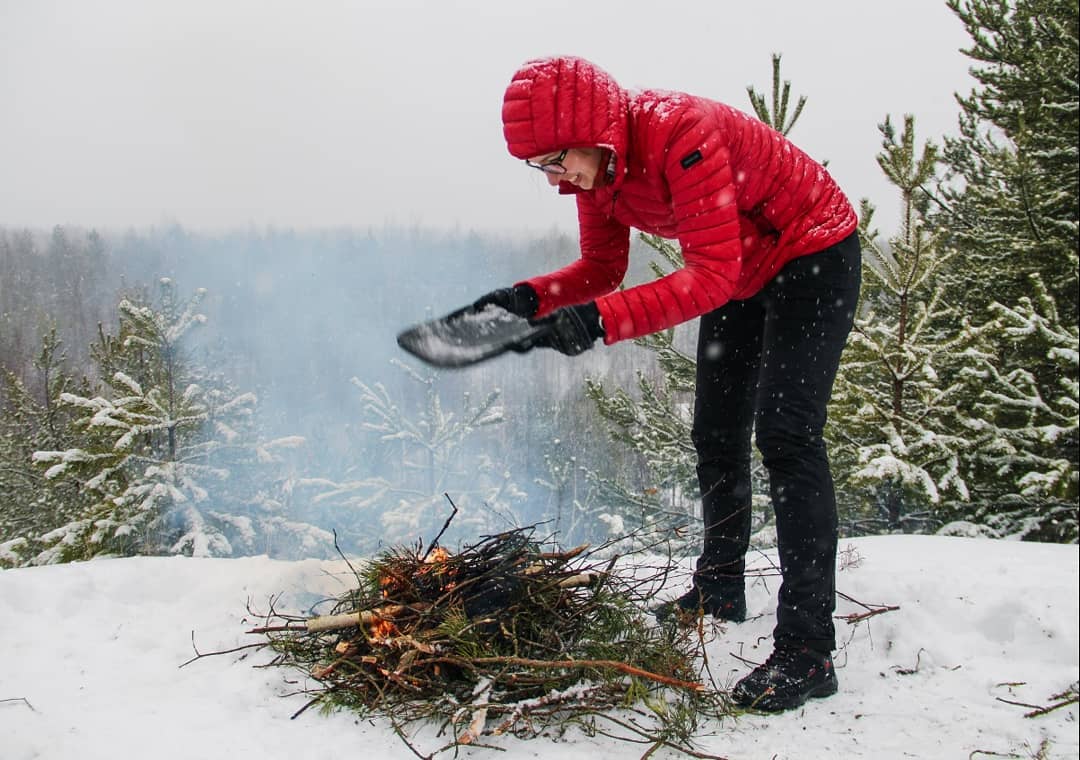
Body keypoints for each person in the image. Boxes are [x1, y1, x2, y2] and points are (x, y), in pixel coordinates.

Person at [468, 56, 861, 712]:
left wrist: (593, 325)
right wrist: (528, 300)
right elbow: (602, 267)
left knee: (787, 435)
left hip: (812, 251)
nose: (553, 177)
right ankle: (720, 587)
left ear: (592, 131)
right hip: (741, 269)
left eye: (553, 159)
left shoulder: (681, 133)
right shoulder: (598, 173)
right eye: (540, 165)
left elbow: (704, 278)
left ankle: (807, 649)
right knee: (715, 431)